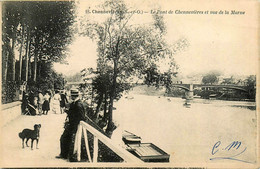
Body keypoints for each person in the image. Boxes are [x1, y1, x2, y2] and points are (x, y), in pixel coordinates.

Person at [57, 88, 86, 160]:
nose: (70, 97)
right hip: (71, 124)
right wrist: (68, 112)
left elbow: (81, 117)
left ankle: (64, 155)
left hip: (73, 125)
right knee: (66, 139)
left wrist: (72, 123)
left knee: (64, 138)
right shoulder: (75, 103)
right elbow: (73, 112)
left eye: (71, 96)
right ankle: (65, 155)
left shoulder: (78, 104)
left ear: (73, 96)